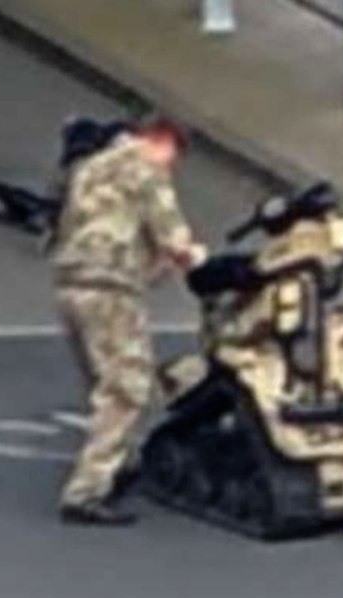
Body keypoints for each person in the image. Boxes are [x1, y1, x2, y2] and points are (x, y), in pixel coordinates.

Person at [49, 116, 208, 526]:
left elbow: (68, 225)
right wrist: (196, 258)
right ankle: (88, 489)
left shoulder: (90, 167)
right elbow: (174, 237)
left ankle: (126, 457)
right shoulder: (147, 169)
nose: (173, 167)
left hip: (71, 285)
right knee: (126, 390)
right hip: (111, 289)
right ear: (165, 141)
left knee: (104, 382)